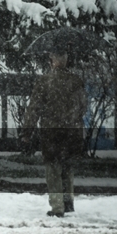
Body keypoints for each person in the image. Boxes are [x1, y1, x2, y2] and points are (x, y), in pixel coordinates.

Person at [21, 51, 86, 217]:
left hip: (51, 133)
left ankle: (58, 207)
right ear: (66, 60)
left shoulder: (45, 81)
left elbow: (34, 108)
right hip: (72, 132)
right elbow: (83, 107)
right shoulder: (76, 81)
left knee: (53, 168)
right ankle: (68, 202)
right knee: (67, 167)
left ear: (52, 61)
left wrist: (27, 131)